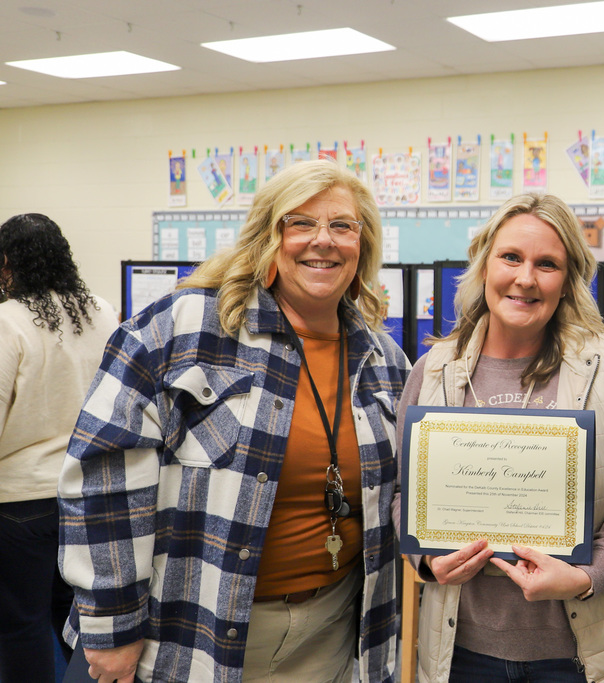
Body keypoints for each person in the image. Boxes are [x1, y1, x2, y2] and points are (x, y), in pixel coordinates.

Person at [58, 160, 410, 683]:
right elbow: (103, 478)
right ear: (268, 237)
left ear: (363, 246)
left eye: (342, 225)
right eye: (300, 223)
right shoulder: (184, 329)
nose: (324, 240)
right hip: (194, 636)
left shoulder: (384, 361)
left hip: (334, 635)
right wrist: (113, 626)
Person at [394, 193, 604, 683]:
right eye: (510, 257)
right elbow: (404, 493)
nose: (525, 278)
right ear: (484, 265)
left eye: (547, 264)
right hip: (462, 654)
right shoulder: (433, 372)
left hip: (588, 656)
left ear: (567, 282)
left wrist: (588, 575)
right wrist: (427, 557)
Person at [0, 214, 119, 683]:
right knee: (81, 622)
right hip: (89, 493)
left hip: (20, 503)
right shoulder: (102, 311)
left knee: (20, 625)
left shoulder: (8, 321)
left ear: (7, 262)